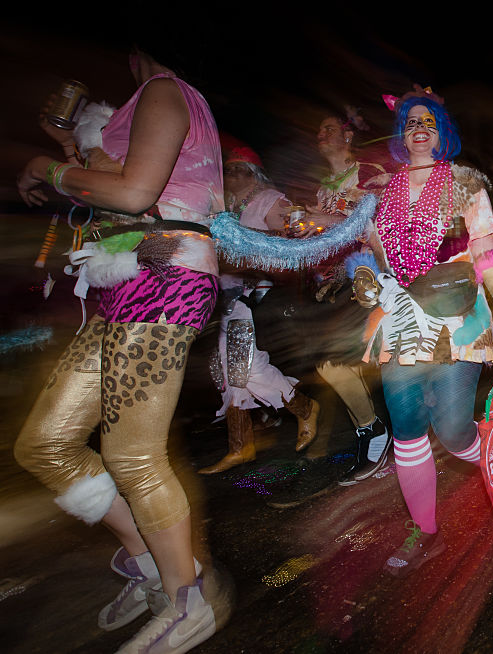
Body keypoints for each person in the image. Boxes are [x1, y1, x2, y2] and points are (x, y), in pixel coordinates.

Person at [15, 45, 224, 653]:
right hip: (123, 284)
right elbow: (113, 192)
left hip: (167, 280)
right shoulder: (143, 100)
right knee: (46, 444)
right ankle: (154, 563)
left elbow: (134, 194)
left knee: (132, 453)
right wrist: (67, 154)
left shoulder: (165, 88)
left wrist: (44, 168)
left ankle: (189, 602)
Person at [354, 86, 493, 577]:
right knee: (406, 429)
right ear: (402, 135)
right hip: (401, 318)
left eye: (428, 120)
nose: (419, 128)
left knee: (451, 429)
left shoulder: (465, 180)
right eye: (410, 122)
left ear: (442, 130)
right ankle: (425, 533)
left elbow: (487, 248)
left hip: (457, 313)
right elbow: (373, 254)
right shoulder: (383, 191)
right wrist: (365, 276)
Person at [265, 112, 392, 509]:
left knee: (380, 362)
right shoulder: (322, 189)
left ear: (348, 135)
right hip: (336, 283)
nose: (321, 134)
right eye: (318, 129)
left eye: (329, 129)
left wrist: (320, 220)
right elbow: (327, 236)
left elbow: (376, 223)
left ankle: (399, 438)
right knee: (330, 362)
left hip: (375, 279)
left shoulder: (371, 172)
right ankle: (375, 433)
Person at [198, 140, 320, 474]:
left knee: (247, 369)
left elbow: (289, 241)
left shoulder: (270, 199)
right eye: (228, 168)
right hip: (228, 298)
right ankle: (241, 445)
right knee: (230, 371)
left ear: (253, 173)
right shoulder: (225, 207)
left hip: (256, 296)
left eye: (239, 167)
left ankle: (304, 407)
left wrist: (238, 239)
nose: (231, 173)